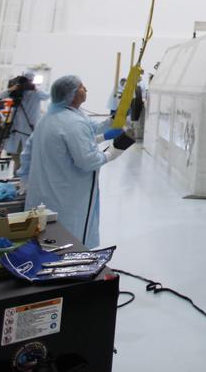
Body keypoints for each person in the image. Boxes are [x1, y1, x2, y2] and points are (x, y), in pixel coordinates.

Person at [22, 75, 134, 248]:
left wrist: (114, 119)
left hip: (46, 190)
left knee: (47, 240)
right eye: (82, 87)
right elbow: (87, 161)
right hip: (66, 196)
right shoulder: (73, 123)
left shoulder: (52, 117)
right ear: (73, 94)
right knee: (67, 240)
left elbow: (92, 128)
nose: (86, 90)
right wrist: (112, 152)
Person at [4, 73, 46, 178]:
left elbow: (46, 96)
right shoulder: (17, 93)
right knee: (17, 158)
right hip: (16, 132)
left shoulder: (36, 94)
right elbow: (2, 95)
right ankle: (17, 178)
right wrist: (12, 89)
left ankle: (25, 179)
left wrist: (35, 88)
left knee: (29, 157)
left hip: (30, 131)